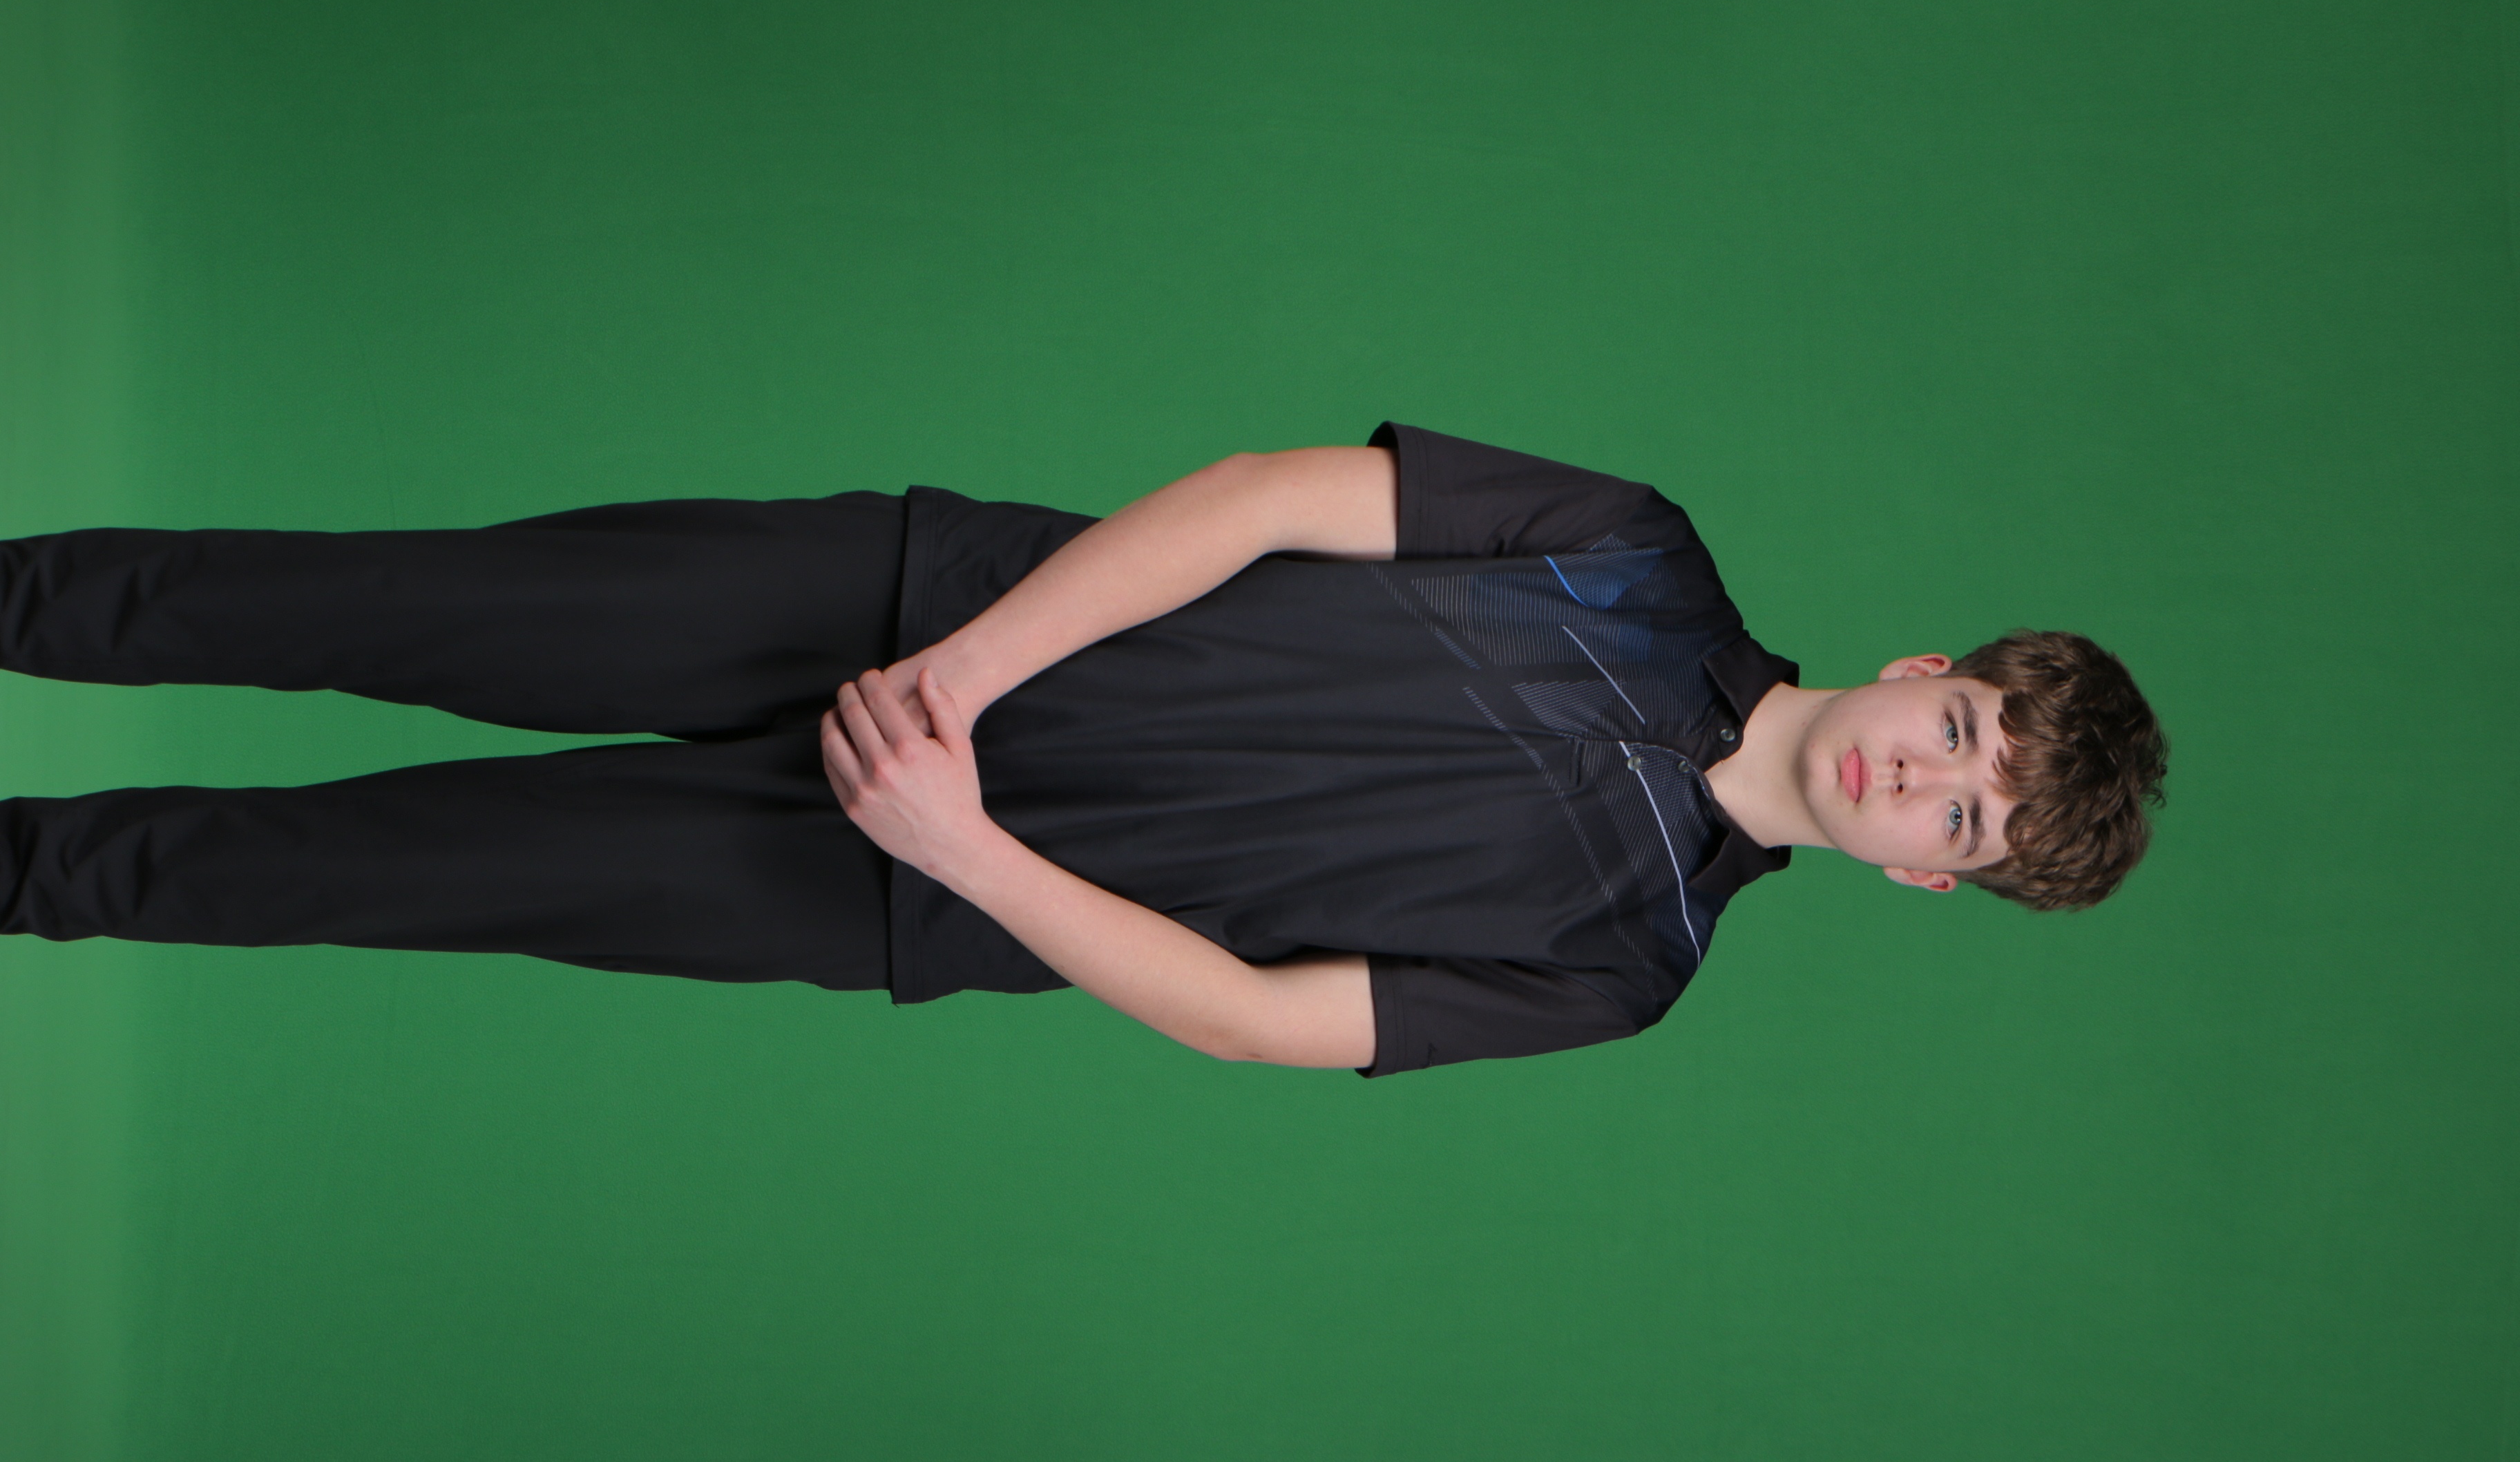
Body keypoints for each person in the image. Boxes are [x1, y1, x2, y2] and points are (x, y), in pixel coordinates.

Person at [0, 424, 2167, 1075]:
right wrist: (965, 670)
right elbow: (1260, 501)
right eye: (1961, 729)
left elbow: (1259, 1017)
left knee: (348, 873)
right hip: (900, 602)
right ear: (1926, 667)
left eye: (1967, 819)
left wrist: (954, 841)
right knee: (354, 603)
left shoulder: (1631, 966)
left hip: (893, 880)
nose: (1927, 776)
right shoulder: (1634, 554)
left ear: (1930, 877)